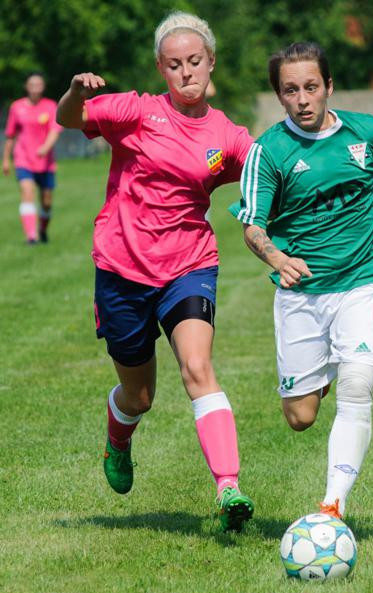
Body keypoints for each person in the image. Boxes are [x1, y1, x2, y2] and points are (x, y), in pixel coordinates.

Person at [56, 11, 254, 532]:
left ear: (211, 62)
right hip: (121, 270)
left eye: (195, 61)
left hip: (190, 265)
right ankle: (118, 440)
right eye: (175, 64)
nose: (187, 71)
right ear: (161, 70)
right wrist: (76, 92)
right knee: (139, 396)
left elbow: (264, 172)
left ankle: (228, 486)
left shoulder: (228, 135)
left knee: (198, 367)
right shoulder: (136, 111)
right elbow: (68, 119)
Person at [230, 42, 373, 519]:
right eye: (290, 90)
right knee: (300, 417)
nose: (302, 99)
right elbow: (252, 226)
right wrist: (276, 256)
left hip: (366, 281)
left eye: (311, 87)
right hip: (303, 293)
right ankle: (323, 373)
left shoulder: (368, 132)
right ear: (279, 96)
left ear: (329, 86)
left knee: (358, 383)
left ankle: (333, 503)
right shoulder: (269, 152)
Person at [3, 73, 62, 243]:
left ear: (43, 87)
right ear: (26, 87)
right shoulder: (16, 107)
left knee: (46, 202)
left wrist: (45, 147)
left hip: (45, 162)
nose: (35, 88)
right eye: (32, 84)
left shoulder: (50, 106)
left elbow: (55, 130)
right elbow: (10, 135)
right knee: (27, 192)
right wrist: (6, 159)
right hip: (23, 159)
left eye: (39, 84)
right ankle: (31, 236)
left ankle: (42, 229)